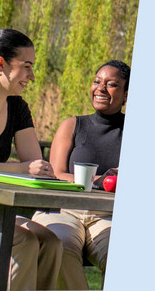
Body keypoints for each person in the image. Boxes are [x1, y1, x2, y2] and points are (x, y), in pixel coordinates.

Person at [0, 29, 62, 290]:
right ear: (0, 65)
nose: (32, 76)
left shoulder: (18, 108)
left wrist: (30, 169)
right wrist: (22, 168)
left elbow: (36, 170)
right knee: (22, 242)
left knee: (52, 243)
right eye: (26, 67)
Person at [32, 60, 130, 289]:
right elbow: (55, 173)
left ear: (126, 94)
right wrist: (100, 180)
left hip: (109, 215)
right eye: (97, 81)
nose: (101, 88)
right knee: (58, 245)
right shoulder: (72, 125)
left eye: (112, 84)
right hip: (64, 209)